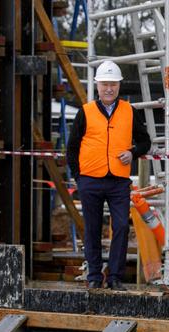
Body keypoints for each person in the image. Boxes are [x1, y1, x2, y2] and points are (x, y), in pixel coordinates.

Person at [67, 60, 150, 291]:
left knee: (122, 226)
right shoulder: (85, 112)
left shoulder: (129, 111)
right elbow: (72, 147)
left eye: (113, 84)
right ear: (97, 86)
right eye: (105, 84)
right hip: (90, 180)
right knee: (92, 228)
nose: (109, 88)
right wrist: (78, 177)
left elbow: (145, 141)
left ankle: (115, 277)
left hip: (118, 182)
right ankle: (94, 275)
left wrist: (132, 152)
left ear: (119, 85)